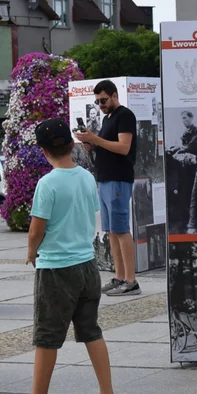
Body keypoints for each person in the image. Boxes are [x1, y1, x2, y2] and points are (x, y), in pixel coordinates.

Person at [0, 118, 123, 394]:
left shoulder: (47, 183)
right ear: (70, 145)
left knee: (47, 336)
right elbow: (88, 212)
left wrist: (31, 252)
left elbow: (36, 228)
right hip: (86, 266)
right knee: (91, 331)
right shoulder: (85, 177)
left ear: (43, 150)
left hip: (56, 269)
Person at [74, 80, 140, 296]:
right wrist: (91, 144)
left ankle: (131, 281)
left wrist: (95, 139)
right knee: (111, 231)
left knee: (121, 230)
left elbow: (123, 147)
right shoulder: (108, 118)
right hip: (105, 179)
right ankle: (119, 276)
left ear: (114, 95)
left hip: (119, 179)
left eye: (103, 100)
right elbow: (108, 145)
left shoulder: (125, 115)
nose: (100, 104)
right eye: (97, 101)